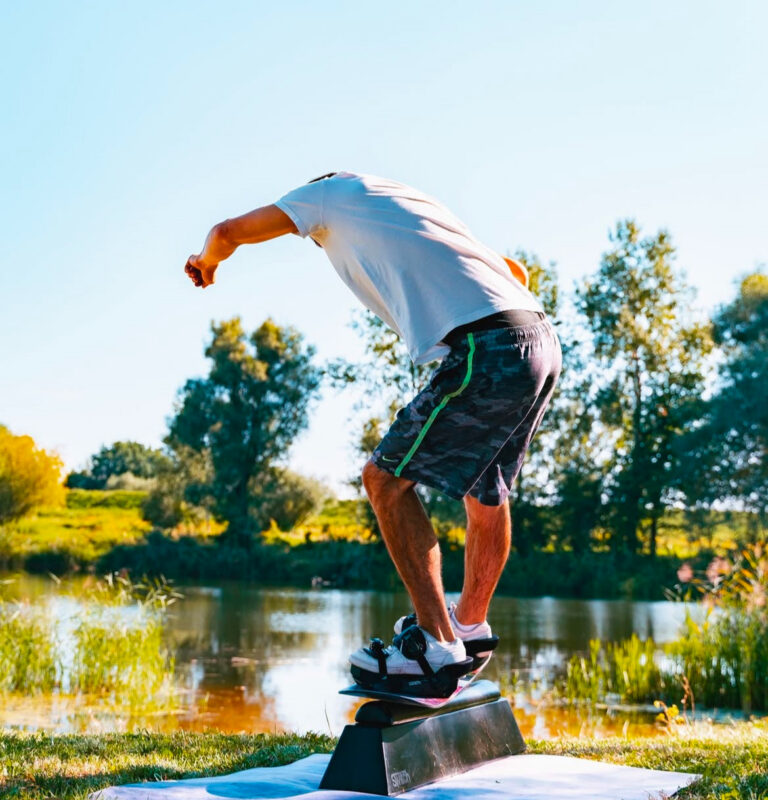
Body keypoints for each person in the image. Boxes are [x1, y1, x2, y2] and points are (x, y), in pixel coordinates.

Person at [186, 171, 562, 694]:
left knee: (384, 480)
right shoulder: (411, 202)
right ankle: (469, 629)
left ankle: (436, 646)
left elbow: (228, 231)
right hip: (538, 340)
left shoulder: (324, 194)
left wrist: (205, 261)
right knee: (486, 490)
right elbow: (514, 270)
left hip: (486, 349)